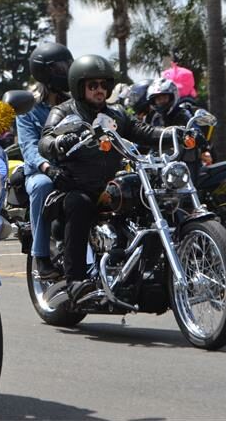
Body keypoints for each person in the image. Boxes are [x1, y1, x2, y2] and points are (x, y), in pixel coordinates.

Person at [38, 55, 163, 304]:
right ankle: (75, 281)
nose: (100, 90)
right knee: (80, 204)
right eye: (92, 85)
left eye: (103, 85)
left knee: (147, 200)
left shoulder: (115, 115)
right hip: (74, 187)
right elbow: (45, 140)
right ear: (79, 87)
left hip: (107, 188)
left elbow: (144, 131)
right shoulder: (63, 111)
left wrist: (171, 133)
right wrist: (60, 142)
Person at [15, 42, 72, 280]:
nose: (67, 71)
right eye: (60, 68)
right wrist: (47, 168)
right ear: (44, 72)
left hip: (73, 169)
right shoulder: (28, 109)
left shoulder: (74, 104)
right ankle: (41, 257)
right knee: (42, 187)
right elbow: (28, 147)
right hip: (41, 172)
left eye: (68, 65)